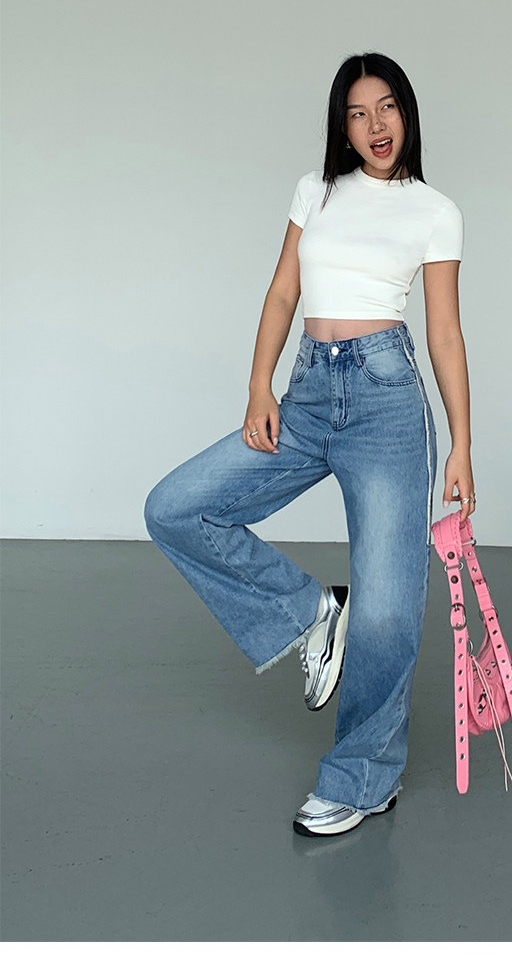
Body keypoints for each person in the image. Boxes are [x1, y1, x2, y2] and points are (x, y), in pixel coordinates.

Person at [144, 52, 475, 837]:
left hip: (388, 405)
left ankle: (363, 776)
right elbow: (283, 290)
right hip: (306, 394)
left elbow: (445, 334)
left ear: (407, 113)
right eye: (358, 114)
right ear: (342, 127)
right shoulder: (315, 191)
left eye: (386, 107)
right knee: (177, 508)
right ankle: (313, 613)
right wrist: (259, 386)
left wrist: (462, 444)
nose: (375, 125)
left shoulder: (436, 211)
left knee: (388, 613)